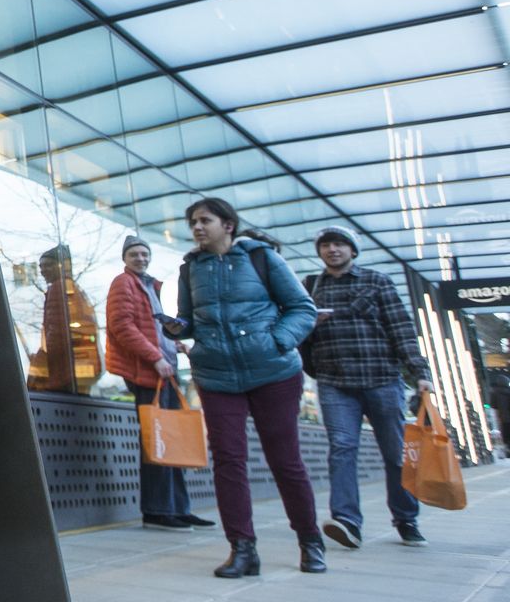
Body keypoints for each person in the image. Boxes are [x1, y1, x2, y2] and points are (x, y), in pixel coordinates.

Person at [162, 197, 322, 578]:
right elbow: (190, 320)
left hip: (273, 373)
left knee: (285, 461)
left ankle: (310, 541)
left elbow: (303, 308)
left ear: (228, 225)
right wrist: (178, 329)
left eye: (205, 220)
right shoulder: (190, 268)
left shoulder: (261, 258)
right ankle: (243, 549)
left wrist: (278, 342)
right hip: (217, 376)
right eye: (193, 223)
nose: (197, 228)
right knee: (228, 462)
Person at [303, 225, 433, 549]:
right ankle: (347, 521)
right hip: (335, 383)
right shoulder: (310, 287)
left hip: (382, 379)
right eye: (326, 245)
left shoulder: (376, 281)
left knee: (395, 453)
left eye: (339, 245)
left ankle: (406, 518)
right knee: (342, 450)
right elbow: (297, 331)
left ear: (352, 250)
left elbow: (400, 327)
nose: (332, 250)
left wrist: (420, 371)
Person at [105, 236, 213, 530]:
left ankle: (178, 508)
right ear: (124, 258)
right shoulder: (123, 283)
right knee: (158, 440)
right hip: (148, 374)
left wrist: (172, 345)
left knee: (172, 439)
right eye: (134, 254)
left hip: (164, 372)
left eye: (144, 253)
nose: (140, 258)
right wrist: (155, 357)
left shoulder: (147, 285)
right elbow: (122, 326)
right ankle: (157, 510)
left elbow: (149, 328)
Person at [25, 246, 102, 395]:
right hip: (75, 368)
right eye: (41, 266)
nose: (43, 270)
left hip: (61, 369)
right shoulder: (72, 287)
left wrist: (43, 361)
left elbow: (55, 334)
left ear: (60, 266)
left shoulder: (57, 288)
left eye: (48, 265)